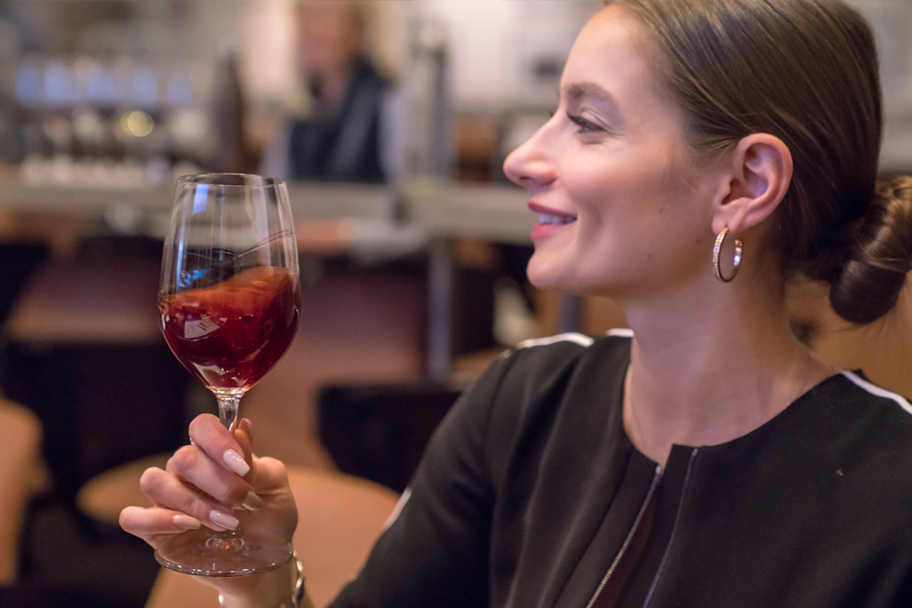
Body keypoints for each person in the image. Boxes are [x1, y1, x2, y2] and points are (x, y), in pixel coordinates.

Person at [120, 0, 912, 606]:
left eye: (588, 123)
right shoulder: (523, 403)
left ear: (745, 185)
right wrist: (264, 580)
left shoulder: (888, 491)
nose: (522, 156)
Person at [259, 0, 400, 184]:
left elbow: (408, 196)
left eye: (327, 14)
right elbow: (270, 191)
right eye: (307, 15)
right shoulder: (296, 113)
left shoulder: (391, 103)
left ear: (360, 27)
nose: (314, 29)